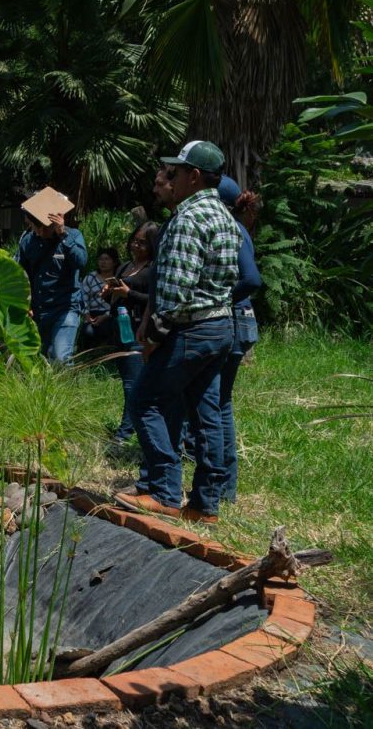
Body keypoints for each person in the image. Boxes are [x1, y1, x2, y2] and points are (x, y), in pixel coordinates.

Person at [116, 140, 241, 524]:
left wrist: (152, 337)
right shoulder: (224, 216)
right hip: (221, 325)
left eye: (176, 171)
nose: (171, 177)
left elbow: (173, 292)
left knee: (145, 402)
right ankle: (205, 504)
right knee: (206, 414)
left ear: (194, 176)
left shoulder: (188, 220)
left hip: (191, 327)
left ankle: (163, 492)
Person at [216, 179, 263, 504]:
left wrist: (218, 299)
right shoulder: (234, 227)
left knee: (218, 403)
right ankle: (223, 485)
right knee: (220, 402)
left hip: (232, 321)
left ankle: (224, 486)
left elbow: (250, 279)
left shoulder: (232, 230)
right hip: (238, 321)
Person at [103, 221, 159, 444]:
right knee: (127, 381)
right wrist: (109, 292)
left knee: (132, 384)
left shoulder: (152, 269)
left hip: (139, 331)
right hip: (120, 328)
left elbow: (153, 300)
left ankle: (126, 432)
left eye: (142, 243)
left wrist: (129, 293)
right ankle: (130, 427)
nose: (136, 245)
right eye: (135, 240)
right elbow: (116, 297)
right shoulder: (125, 266)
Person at [16, 208, 87, 363]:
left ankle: (66, 387)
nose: (40, 232)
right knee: (38, 360)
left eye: (45, 227)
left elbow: (80, 261)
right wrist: (24, 303)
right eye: (36, 227)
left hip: (65, 308)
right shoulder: (28, 241)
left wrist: (63, 235)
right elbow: (21, 275)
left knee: (61, 357)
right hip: (38, 310)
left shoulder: (73, 236)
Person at [79, 247, 119, 348]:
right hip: (92, 314)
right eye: (101, 259)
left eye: (107, 259)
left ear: (114, 262)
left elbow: (119, 302)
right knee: (88, 331)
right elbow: (83, 298)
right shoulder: (90, 277)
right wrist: (86, 315)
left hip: (111, 314)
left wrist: (106, 316)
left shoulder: (118, 279)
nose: (103, 262)